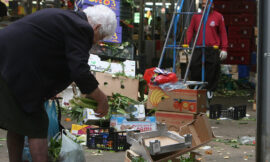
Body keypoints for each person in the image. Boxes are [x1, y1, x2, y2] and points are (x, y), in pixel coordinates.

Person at [0, 4, 116, 162]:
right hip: (14, 67)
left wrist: (49, 87)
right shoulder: (81, 28)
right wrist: (101, 99)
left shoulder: (67, 19)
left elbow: (47, 50)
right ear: (96, 27)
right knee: (37, 125)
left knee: (18, 123)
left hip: (8, 63)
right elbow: (79, 70)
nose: (96, 43)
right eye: (100, 38)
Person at [186, 0, 228, 99]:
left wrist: (224, 48)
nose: (205, 6)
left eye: (207, 4)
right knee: (194, 67)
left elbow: (223, 33)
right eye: (203, 4)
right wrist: (186, 43)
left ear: (212, 5)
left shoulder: (218, 17)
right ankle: (196, 89)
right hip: (198, 47)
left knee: (213, 69)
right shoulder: (196, 17)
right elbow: (190, 30)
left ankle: (209, 91)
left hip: (212, 48)